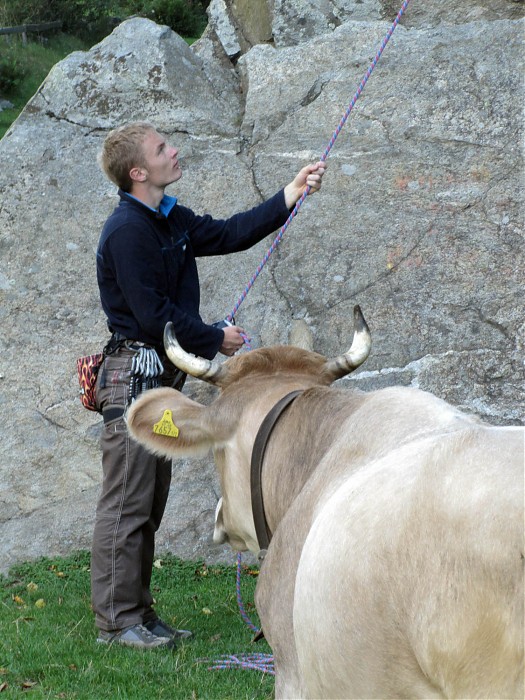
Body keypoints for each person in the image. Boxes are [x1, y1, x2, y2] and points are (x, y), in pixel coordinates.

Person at [91, 121, 326, 649]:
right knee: (127, 504)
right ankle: (116, 622)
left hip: (159, 378)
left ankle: (139, 615)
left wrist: (291, 192)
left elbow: (228, 233)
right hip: (133, 378)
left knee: (146, 505)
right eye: (161, 149)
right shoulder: (128, 231)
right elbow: (153, 316)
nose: (173, 152)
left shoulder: (166, 217)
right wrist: (214, 337)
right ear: (139, 172)